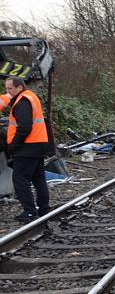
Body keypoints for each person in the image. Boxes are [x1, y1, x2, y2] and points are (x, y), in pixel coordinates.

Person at [5, 77, 49, 222]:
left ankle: (29, 212)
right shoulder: (31, 97)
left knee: (19, 179)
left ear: (19, 87)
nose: (8, 92)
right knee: (38, 178)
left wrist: (13, 146)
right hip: (39, 143)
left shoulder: (22, 101)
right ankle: (44, 209)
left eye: (10, 88)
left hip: (28, 146)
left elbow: (24, 127)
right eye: (7, 89)